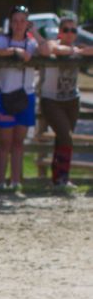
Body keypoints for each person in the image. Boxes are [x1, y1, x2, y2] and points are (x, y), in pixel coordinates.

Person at [36, 16, 93, 189]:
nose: (70, 33)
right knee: (66, 137)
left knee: (62, 139)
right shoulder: (53, 44)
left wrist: (78, 51)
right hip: (51, 100)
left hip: (71, 100)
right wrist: (74, 51)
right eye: (66, 30)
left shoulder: (78, 48)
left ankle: (60, 178)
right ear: (60, 32)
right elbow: (51, 50)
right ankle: (60, 178)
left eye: (73, 30)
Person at [0, 5, 39, 191]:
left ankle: (16, 181)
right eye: (15, 21)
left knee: (19, 142)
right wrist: (14, 52)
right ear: (10, 23)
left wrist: (36, 34)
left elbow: (45, 51)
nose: (18, 25)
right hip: (5, 96)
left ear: (27, 23)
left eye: (22, 21)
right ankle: (1, 182)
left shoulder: (32, 43)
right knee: (4, 142)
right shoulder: (2, 40)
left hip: (26, 97)